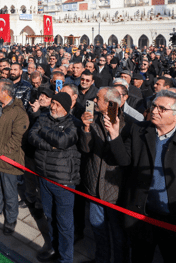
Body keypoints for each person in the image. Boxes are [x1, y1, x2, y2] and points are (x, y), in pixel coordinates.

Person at [104, 90, 176, 263]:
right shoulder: (138, 130)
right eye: (154, 106)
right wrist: (114, 134)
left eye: (162, 108)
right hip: (141, 216)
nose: (155, 111)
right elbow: (123, 160)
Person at [28, 92, 81, 263]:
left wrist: (43, 132)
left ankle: (66, 258)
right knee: (49, 216)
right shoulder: (44, 117)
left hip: (63, 181)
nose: (53, 107)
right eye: (53, 103)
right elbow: (31, 136)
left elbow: (63, 140)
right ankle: (53, 247)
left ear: (66, 108)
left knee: (64, 223)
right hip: (44, 177)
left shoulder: (74, 123)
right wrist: (49, 146)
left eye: (58, 105)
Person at [78, 87, 127, 263]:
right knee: (98, 229)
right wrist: (85, 128)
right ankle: (102, 259)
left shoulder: (127, 124)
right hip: (94, 187)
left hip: (113, 190)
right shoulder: (94, 119)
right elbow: (85, 149)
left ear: (110, 103)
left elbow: (123, 158)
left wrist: (114, 133)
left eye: (97, 98)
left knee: (118, 233)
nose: (94, 100)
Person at [0, 79, 29, 236]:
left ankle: (11, 218)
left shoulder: (19, 113)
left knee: (10, 192)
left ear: (6, 92)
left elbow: (17, 140)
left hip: (8, 160)